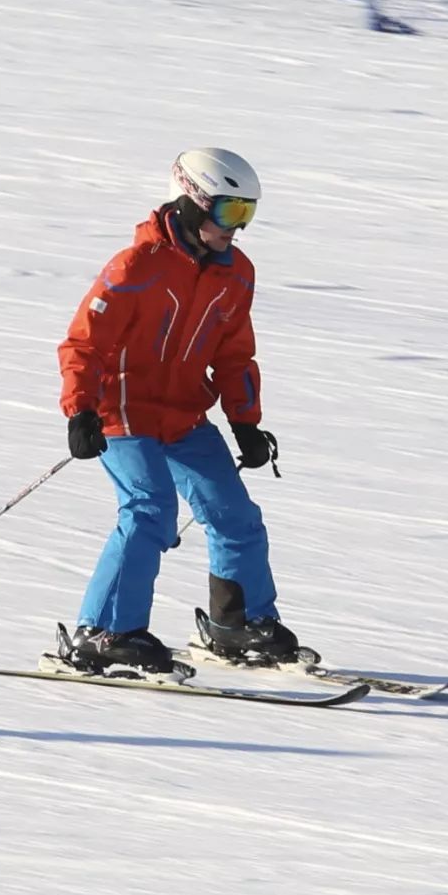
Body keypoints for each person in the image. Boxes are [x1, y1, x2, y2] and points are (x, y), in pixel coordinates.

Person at [57, 148, 300, 676]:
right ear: (191, 203)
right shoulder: (136, 266)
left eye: (248, 214)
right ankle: (103, 633)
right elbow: (84, 344)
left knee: (236, 516)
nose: (237, 228)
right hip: (123, 414)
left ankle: (237, 625)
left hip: (185, 417)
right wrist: (81, 410)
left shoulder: (236, 274)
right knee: (149, 511)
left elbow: (234, 355)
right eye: (230, 211)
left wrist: (246, 422)